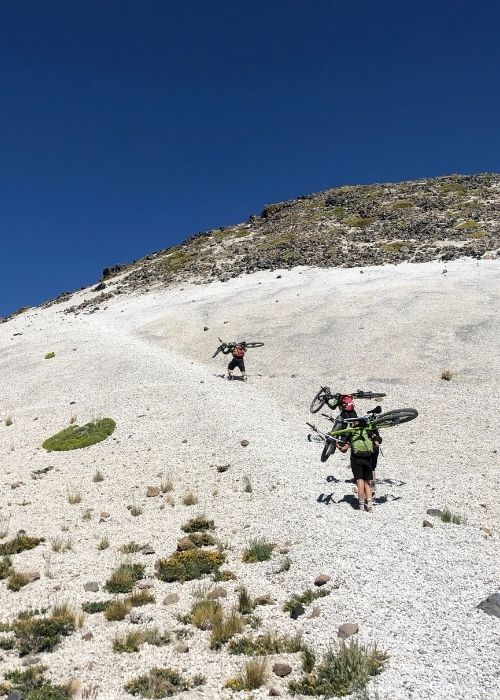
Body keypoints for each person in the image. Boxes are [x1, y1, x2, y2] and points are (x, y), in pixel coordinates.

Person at [338, 420, 382, 512]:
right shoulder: (369, 429)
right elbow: (377, 441)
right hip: (371, 455)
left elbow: (344, 449)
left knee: (360, 481)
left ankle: (362, 505)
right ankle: (372, 495)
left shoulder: (352, 432)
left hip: (358, 458)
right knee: (372, 471)